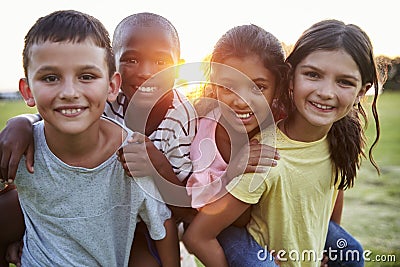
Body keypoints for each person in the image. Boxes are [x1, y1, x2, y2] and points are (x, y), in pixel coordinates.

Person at [0, 12, 195, 266]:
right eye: (132, 59)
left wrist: (156, 165)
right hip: (84, 202)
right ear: (113, 66)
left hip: (143, 222)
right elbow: (59, 116)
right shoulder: (105, 100)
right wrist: (23, 122)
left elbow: (184, 209)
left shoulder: (182, 118)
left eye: (161, 62)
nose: (147, 72)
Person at [183, 19, 380, 267]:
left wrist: (321, 245)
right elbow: (197, 230)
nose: (326, 92)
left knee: (351, 254)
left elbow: (331, 191)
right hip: (228, 221)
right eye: (313, 75)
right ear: (290, 79)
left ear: (363, 91)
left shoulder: (340, 137)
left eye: (344, 82)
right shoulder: (265, 156)